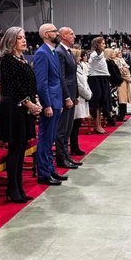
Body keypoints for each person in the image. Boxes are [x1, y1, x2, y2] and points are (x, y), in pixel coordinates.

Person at [0, 27, 41, 202]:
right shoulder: (7, 60)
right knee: (15, 149)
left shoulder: (21, 59)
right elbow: (12, 87)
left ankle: (19, 187)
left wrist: (35, 101)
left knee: (22, 147)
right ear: (10, 41)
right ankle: (12, 188)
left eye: (24, 37)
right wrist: (29, 103)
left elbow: (29, 84)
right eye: (19, 38)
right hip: (14, 108)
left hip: (25, 108)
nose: (24, 40)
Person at [33, 23, 68, 186]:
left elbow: (56, 80)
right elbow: (42, 83)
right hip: (50, 102)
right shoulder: (42, 53)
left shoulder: (52, 52)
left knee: (51, 138)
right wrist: (46, 104)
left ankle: (50, 168)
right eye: (55, 31)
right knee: (45, 138)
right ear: (46, 34)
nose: (58, 33)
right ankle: (44, 173)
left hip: (56, 101)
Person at [54, 27, 80, 170]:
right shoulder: (60, 52)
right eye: (71, 34)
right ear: (63, 36)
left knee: (68, 128)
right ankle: (61, 157)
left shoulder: (68, 51)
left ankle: (66, 156)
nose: (74, 36)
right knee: (62, 129)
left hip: (72, 93)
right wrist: (67, 97)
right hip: (66, 96)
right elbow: (61, 77)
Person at [88, 36, 110, 134]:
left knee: (101, 103)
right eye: (103, 43)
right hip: (96, 79)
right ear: (97, 45)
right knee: (97, 103)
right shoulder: (94, 54)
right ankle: (97, 125)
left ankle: (99, 124)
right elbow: (91, 61)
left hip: (102, 77)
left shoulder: (101, 54)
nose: (104, 45)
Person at [72, 49, 91, 155]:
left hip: (82, 98)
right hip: (78, 98)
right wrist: (88, 94)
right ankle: (74, 148)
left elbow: (84, 82)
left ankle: (75, 147)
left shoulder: (79, 67)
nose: (81, 58)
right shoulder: (75, 69)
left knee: (77, 125)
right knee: (74, 126)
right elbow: (79, 85)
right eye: (78, 56)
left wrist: (89, 93)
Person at [115, 49, 131, 121]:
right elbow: (122, 72)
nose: (120, 53)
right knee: (121, 99)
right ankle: (121, 115)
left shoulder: (121, 60)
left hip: (125, 81)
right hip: (121, 81)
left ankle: (124, 112)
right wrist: (127, 76)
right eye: (118, 53)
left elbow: (126, 70)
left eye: (120, 52)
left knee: (124, 98)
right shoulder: (117, 61)